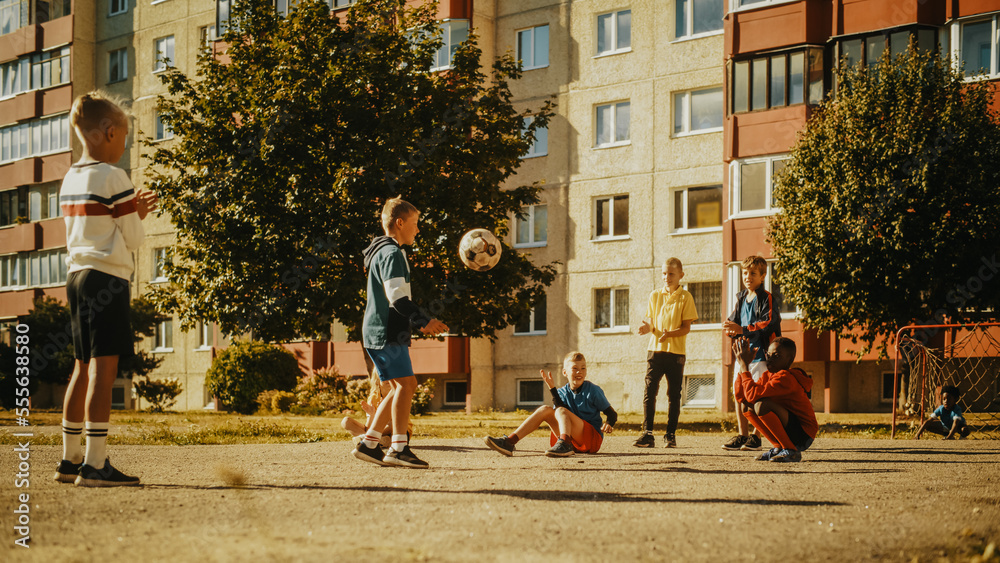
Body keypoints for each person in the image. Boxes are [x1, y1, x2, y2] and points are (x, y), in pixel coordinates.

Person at [53, 92, 158, 487]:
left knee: (80, 367)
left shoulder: (70, 178)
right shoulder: (115, 177)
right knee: (104, 367)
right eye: (124, 136)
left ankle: (70, 459)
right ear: (108, 131)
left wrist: (130, 210)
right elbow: (131, 238)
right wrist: (138, 210)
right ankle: (96, 465)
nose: (125, 144)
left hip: (77, 277)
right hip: (107, 279)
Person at [352, 197, 448, 468]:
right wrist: (423, 321)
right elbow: (397, 298)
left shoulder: (379, 252)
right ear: (399, 222)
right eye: (415, 224)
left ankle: (369, 444)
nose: (417, 230)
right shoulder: (393, 253)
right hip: (387, 330)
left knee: (397, 387)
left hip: (376, 330)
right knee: (407, 385)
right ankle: (397, 449)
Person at [485, 351, 617, 457]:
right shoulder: (562, 391)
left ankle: (565, 444)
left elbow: (612, 413)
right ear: (565, 372)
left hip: (592, 439)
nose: (579, 372)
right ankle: (510, 442)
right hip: (575, 440)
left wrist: (609, 423)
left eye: (583, 368)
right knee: (545, 409)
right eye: (575, 368)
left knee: (560, 411)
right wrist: (552, 388)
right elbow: (561, 414)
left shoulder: (593, 390)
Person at [633, 258, 698, 448]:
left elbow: (686, 328)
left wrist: (670, 334)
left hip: (676, 353)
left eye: (671, 274)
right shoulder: (655, 295)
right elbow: (653, 324)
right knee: (650, 391)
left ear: (680, 275)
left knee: (674, 394)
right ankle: (647, 433)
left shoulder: (686, 297)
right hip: (655, 351)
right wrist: (648, 328)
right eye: (664, 273)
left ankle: (670, 434)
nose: (666, 277)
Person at [721, 255, 781, 452]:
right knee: (740, 395)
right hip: (742, 355)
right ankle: (742, 435)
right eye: (745, 273)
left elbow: (768, 322)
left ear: (762, 276)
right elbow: (734, 322)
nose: (748, 277)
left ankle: (757, 436)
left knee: (758, 396)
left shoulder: (767, 298)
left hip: (761, 356)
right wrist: (730, 328)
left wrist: (742, 329)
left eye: (753, 273)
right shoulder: (740, 298)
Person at [733, 336, 816, 463]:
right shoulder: (768, 375)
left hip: (803, 434)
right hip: (790, 428)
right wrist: (743, 367)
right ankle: (778, 447)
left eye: (776, 356)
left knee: (761, 405)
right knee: (747, 406)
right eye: (768, 354)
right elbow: (742, 398)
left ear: (789, 360)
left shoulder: (785, 378)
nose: (770, 359)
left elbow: (752, 395)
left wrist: (745, 367)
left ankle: (791, 450)